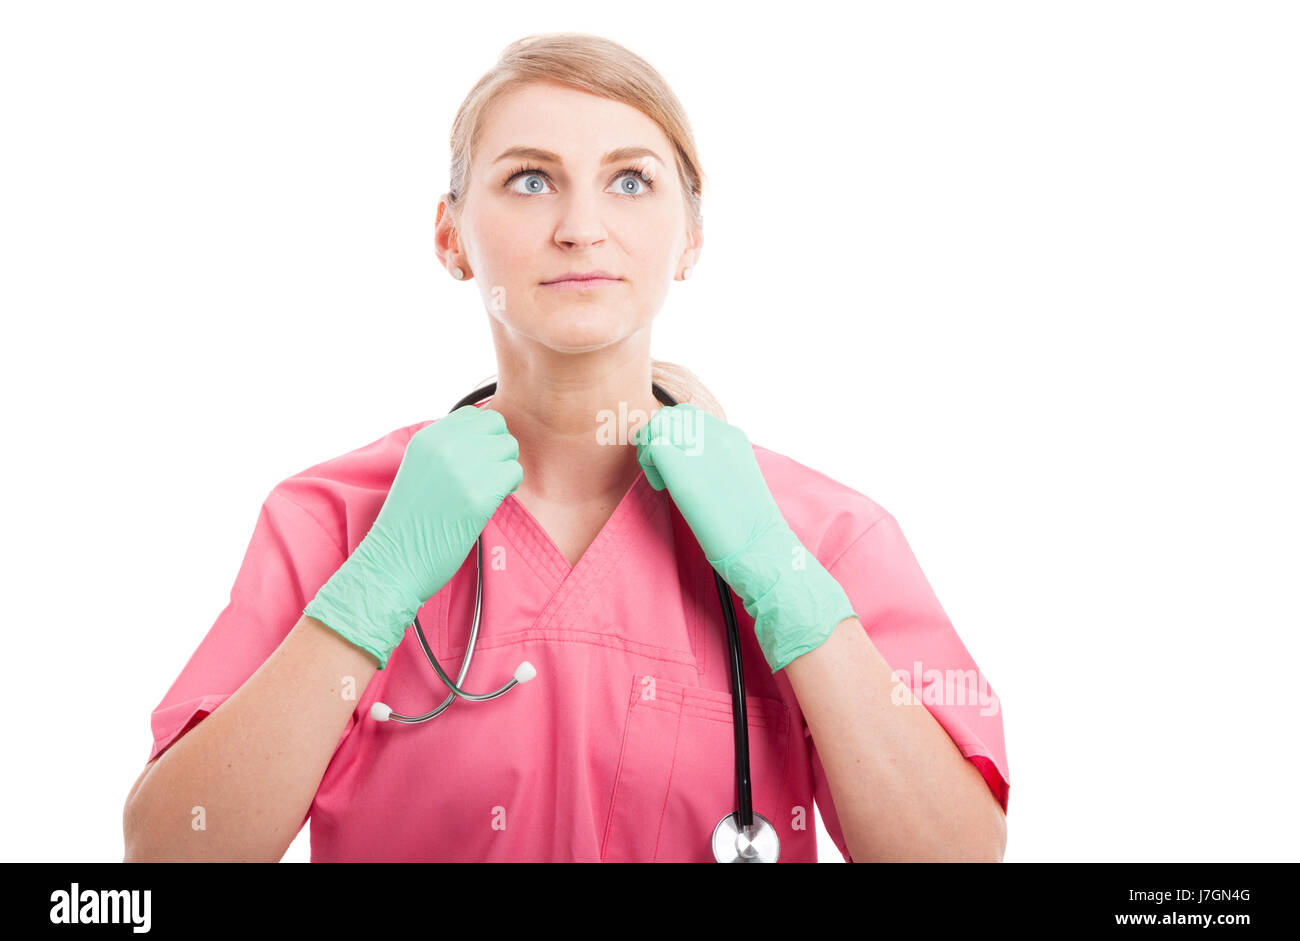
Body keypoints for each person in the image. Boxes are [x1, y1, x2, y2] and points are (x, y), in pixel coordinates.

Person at [123, 32, 1009, 863]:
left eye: (630, 181)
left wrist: (783, 578)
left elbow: (957, 852)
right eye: (530, 180)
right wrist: (371, 591)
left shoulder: (826, 535)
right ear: (449, 235)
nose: (582, 226)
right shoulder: (334, 521)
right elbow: (170, 850)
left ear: (691, 236)